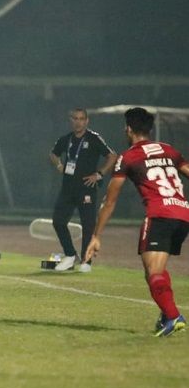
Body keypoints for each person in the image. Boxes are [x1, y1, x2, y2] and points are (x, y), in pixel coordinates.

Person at [85, 107, 189, 337]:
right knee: (155, 269)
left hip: (160, 214)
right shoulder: (168, 150)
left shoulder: (128, 157)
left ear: (128, 129)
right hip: (183, 214)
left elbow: (109, 202)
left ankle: (173, 317)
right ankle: (166, 315)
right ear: (149, 129)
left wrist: (96, 236)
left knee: (153, 273)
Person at [49, 108, 117, 272]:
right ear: (70, 120)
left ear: (86, 121)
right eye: (75, 118)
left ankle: (86, 262)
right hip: (68, 188)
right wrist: (59, 166)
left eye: (81, 119)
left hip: (87, 188)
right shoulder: (66, 139)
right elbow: (53, 153)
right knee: (58, 221)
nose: (78, 122)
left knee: (88, 225)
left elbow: (112, 156)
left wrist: (99, 174)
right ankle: (70, 255)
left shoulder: (94, 138)